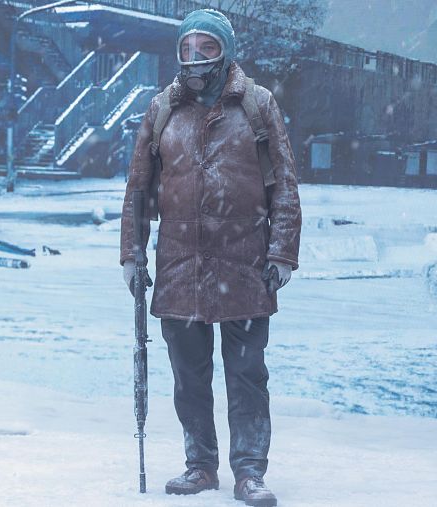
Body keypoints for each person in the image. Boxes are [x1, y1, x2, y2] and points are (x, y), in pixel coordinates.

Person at [119, 8, 302, 507]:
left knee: (247, 374)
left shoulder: (258, 106)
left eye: (207, 49)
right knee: (188, 374)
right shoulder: (162, 110)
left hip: (245, 261)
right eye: (187, 49)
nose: (196, 59)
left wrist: (283, 251)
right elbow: (138, 190)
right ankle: (199, 465)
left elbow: (284, 182)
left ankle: (249, 472)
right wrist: (133, 255)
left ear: (227, 51)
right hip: (179, 263)